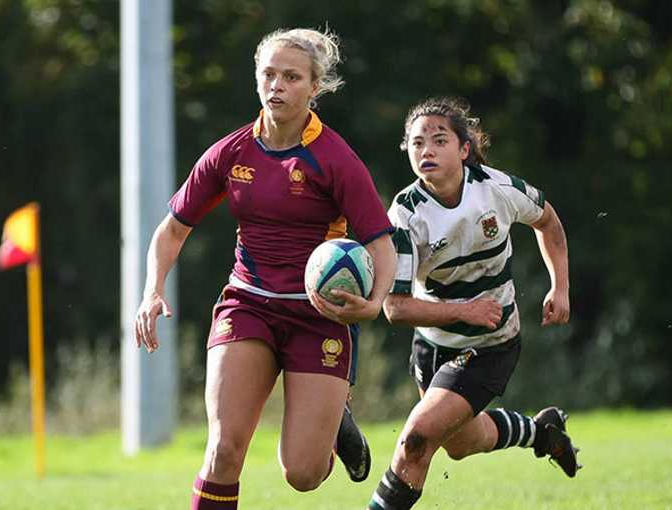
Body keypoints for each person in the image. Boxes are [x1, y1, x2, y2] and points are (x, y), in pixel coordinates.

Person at [133, 27, 396, 509]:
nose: (277, 85)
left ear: (314, 88)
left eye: (291, 77)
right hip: (247, 305)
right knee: (223, 450)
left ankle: (334, 418)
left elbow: (381, 244)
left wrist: (374, 303)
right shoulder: (231, 153)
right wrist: (152, 291)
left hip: (318, 317)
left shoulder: (335, 159)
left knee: (302, 473)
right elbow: (170, 231)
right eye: (269, 75)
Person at [365, 97, 580, 510]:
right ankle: (541, 433)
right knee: (461, 444)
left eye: (439, 140)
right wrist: (463, 311)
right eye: (416, 142)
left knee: (415, 440)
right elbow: (397, 308)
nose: (426, 149)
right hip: (433, 345)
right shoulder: (405, 216)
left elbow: (547, 220)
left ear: (464, 149)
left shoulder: (496, 189)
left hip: (490, 345)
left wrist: (561, 286)